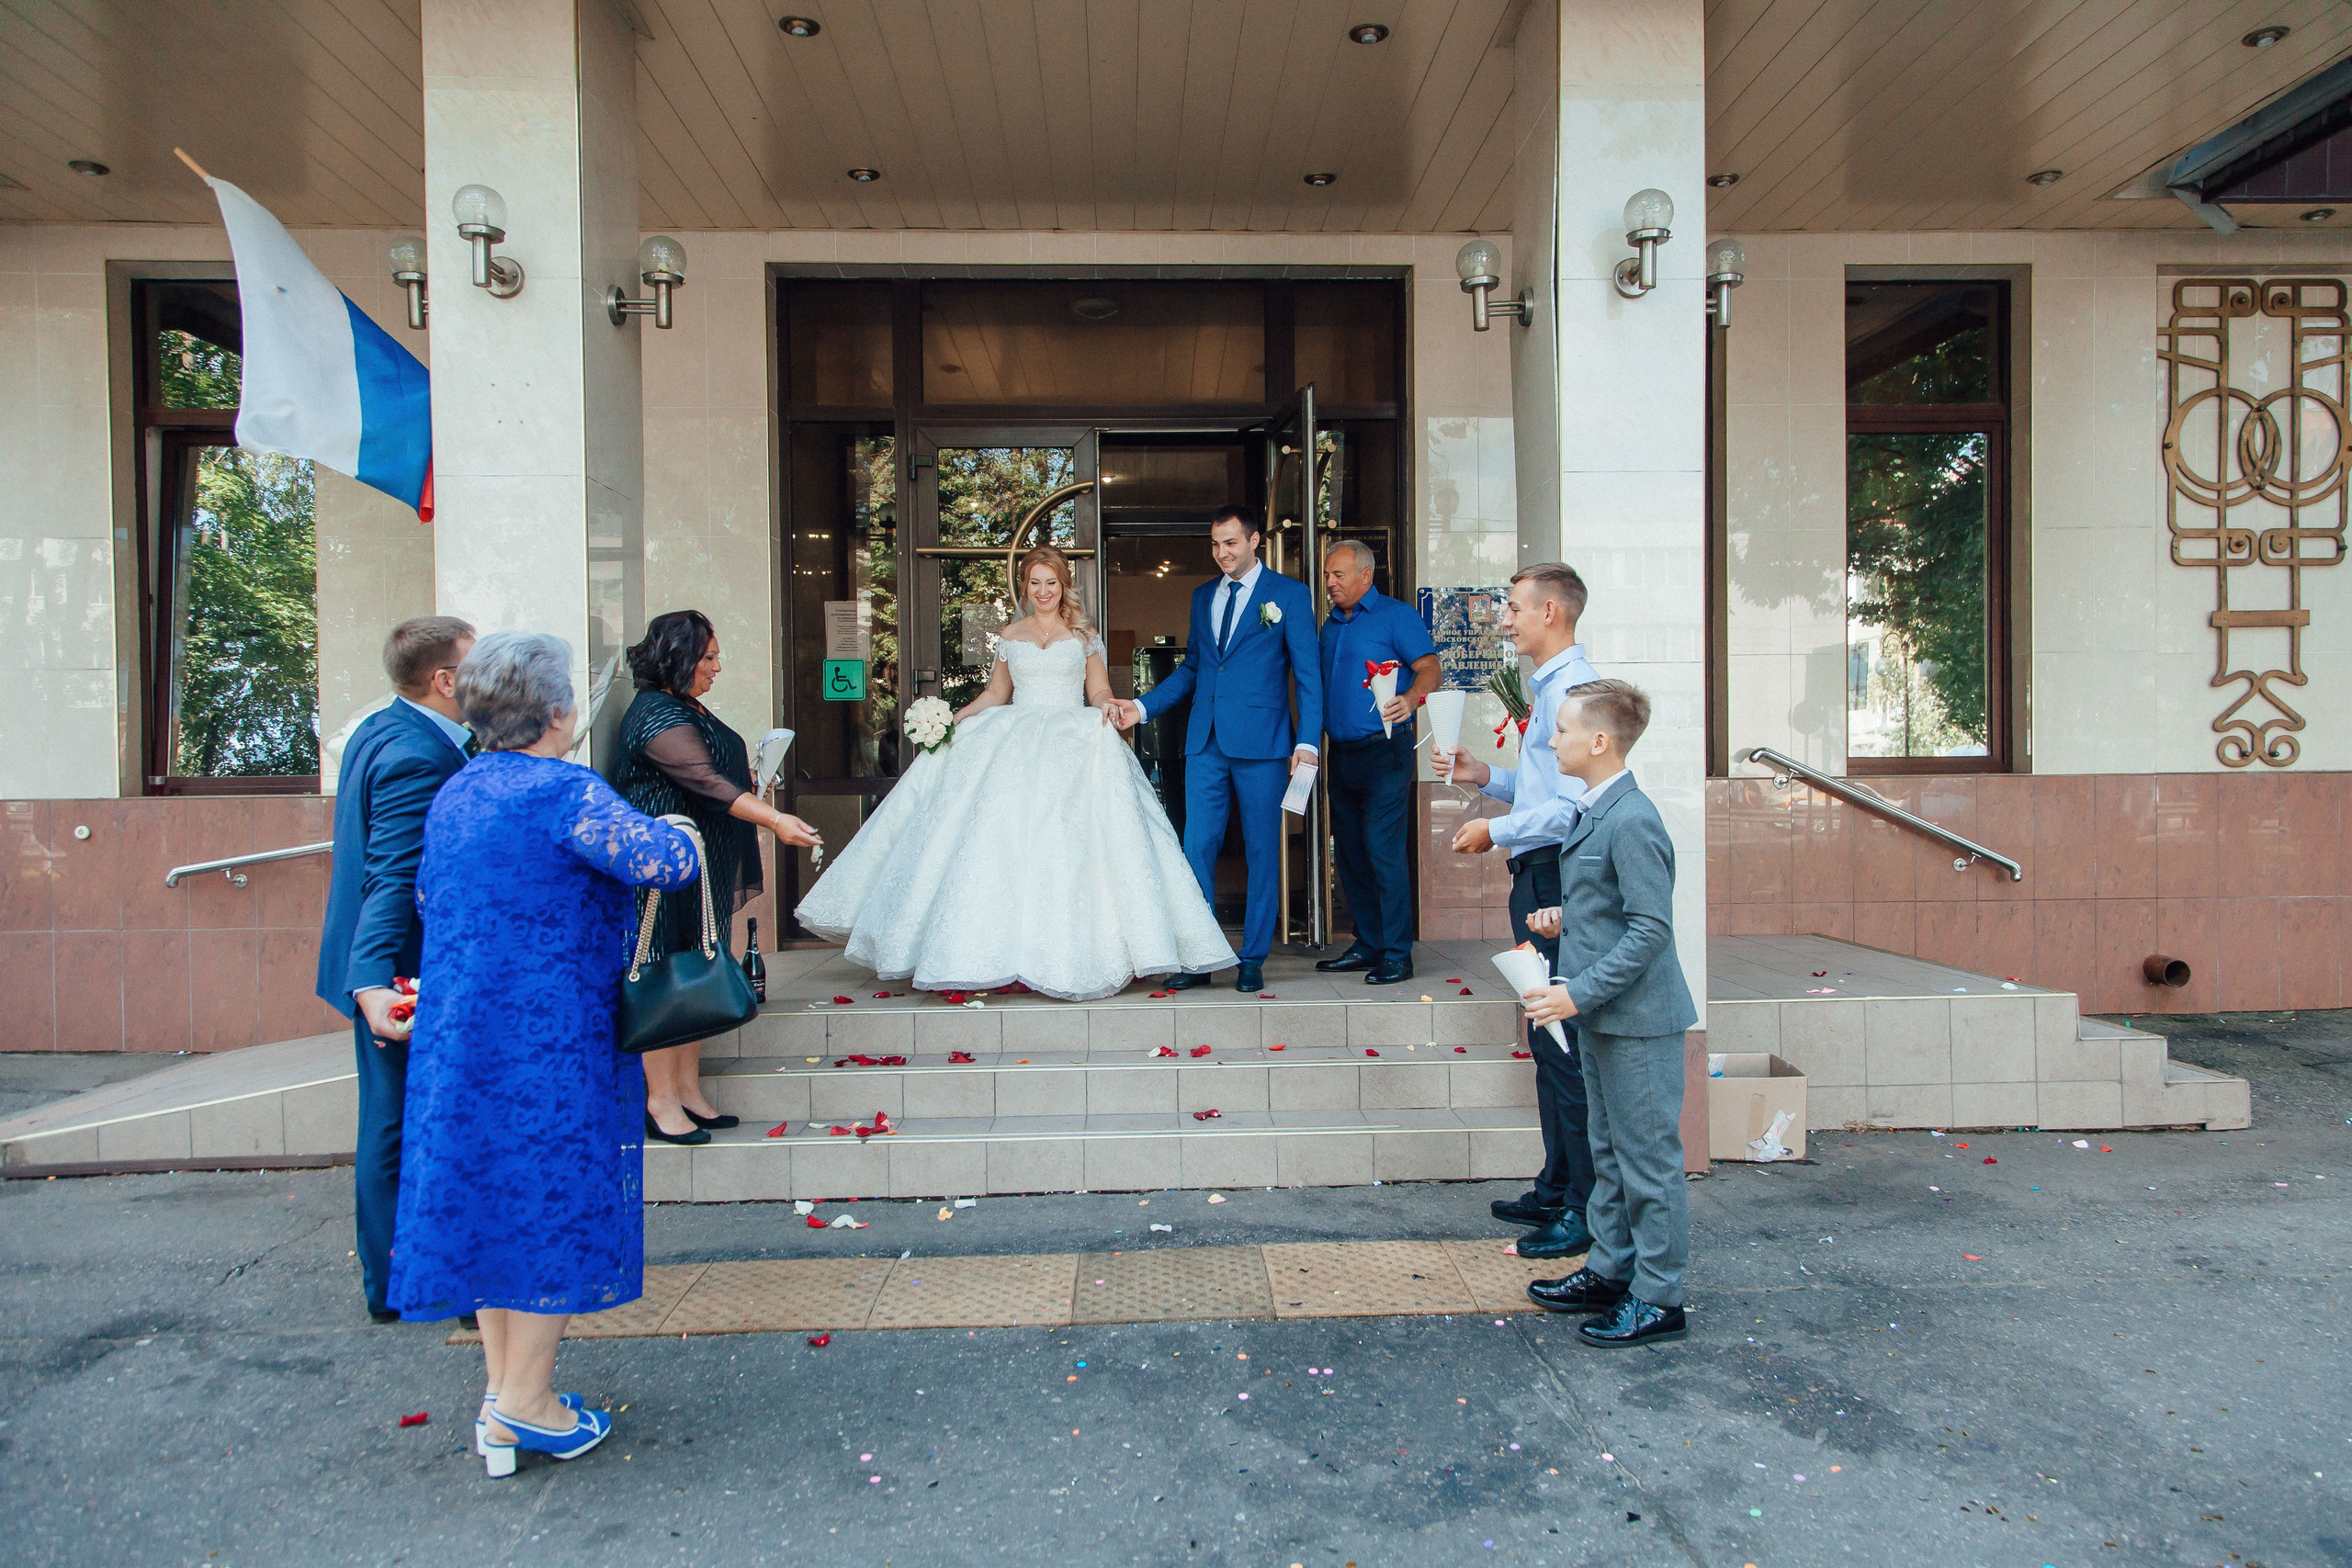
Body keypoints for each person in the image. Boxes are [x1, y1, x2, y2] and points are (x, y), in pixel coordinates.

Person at [389, 630, 703, 1475]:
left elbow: (427, 896)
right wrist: (683, 827)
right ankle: (528, 1402)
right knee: (550, 1202)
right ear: (557, 710)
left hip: (464, 1037)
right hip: (548, 1038)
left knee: (491, 1200)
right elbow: (663, 862)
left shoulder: (458, 792)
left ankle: (502, 1396)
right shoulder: (562, 791)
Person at [799, 547, 1234, 999]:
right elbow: (995, 694)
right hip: (1017, 738)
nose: (1043, 591)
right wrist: (955, 718)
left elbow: (1099, 688)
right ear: (1024, 587)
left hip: (1071, 738)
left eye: (1051, 582)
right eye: (1035, 583)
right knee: (998, 839)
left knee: (1073, 841)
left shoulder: (1084, 634)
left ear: (1063, 584)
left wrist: (1108, 707)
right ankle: (994, 952)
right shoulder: (1010, 634)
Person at [1517, 679, 1698, 1348]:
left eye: (1561, 729)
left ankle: (1659, 1295)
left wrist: (1575, 994)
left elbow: (1651, 929)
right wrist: (1569, 917)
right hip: (1601, 1015)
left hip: (1636, 1021)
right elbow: (1616, 908)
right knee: (1610, 1153)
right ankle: (1611, 1268)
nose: (1551, 738)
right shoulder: (1598, 810)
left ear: (1598, 741)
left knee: (1648, 1160)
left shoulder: (1633, 817)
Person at [1431, 563, 1600, 1260]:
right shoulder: (1550, 686)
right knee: (1545, 1039)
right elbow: (1539, 787)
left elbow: (1574, 803)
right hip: (1536, 872)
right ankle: (1556, 1184)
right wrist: (1486, 778)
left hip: (1554, 878)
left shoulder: (1573, 692)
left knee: (1564, 1048)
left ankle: (1584, 1210)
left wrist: (1493, 830)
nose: (1504, 618)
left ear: (1552, 612)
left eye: (1514, 607)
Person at [314, 615, 475, 1325]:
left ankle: (396, 1278)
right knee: (397, 1125)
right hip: (403, 968)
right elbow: (394, 875)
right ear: (444, 681)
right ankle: (400, 1282)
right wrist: (375, 982)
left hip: (383, 961)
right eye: (475, 665)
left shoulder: (387, 727)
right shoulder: (416, 754)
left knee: (393, 1121)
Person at [614, 610, 821, 1145]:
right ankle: (659, 1100)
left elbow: (712, 771)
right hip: (659, 874)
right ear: (679, 659)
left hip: (691, 867)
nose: (717, 667)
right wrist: (774, 819)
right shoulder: (653, 712)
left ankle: (687, 1088)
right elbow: (701, 779)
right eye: (709, 657)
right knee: (664, 979)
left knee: (692, 972)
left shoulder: (682, 705)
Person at [1110, 506, 1322, 994]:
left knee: (1261, 850)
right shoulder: (1202, 595)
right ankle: (1200, 953)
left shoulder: (1289, 595)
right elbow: (1193, 670)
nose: (1221, 553)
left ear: (1255, 542)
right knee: (1196, 848)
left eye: (1230, 542)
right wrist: (1140, 709)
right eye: (1215, 544)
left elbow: (1308, 677)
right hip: (1205, 741)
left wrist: (1307, 742)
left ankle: (1252, 956)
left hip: (1265, 743)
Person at [1314, 539, 1441, 986]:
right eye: (1328, 575)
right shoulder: (1328, 627)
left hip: (1386, 752)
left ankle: (1396, 953)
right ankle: (1367, 943)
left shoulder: (1396, 615)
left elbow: (1430, 668)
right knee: (1349, 852)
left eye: (1338, 575)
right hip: (1341, 755)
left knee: (1382, 849)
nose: (1330, 583)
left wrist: (1411, 699)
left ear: (1365, 576)